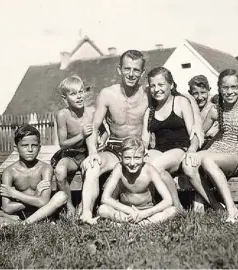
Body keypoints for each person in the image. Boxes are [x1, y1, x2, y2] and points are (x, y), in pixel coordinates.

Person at [81, 50, 204, 223]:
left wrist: (198, 125)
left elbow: (180, 96)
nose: (131, 74)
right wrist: (93, 151)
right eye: (127, 69)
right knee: (93, 167)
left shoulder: (149, 93)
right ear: (119, 70)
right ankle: (86, 214)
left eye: (136, 70)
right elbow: (92, 126)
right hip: (115, 147)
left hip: (139, 151)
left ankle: (147, 210)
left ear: (142, 73)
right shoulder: (107, 94)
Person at [182, 69, 238, 222]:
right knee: (187, 164)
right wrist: (192, 148)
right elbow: (199, 134)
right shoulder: (215, 110)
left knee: (208, 161)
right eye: (225, 88)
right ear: (219, 88)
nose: (230, 92)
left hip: (236, 152)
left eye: (234, 87)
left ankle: (232, 210)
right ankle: (217, 206)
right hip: (216, 148)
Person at [0, 125, 68, 226]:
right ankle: (27, 223)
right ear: (16, 147)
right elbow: (7, 208)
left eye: (34, 145)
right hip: (19, 214)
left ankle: (24, 224)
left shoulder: (45, 168)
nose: (30, 149)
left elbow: (43, 202)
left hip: (42, 212)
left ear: (39, 147)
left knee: (61, 196)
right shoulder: (9, 172)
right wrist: (35, 196)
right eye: (25, 145)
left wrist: (15, 194)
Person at [141, 67, 199, 210]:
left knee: (154, 167)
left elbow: (194, 133)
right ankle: (150, 203)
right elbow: (144, 140)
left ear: (171, 85)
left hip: (180, 149)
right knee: (143, 165)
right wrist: (139, 152)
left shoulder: (180, 102)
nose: (156, 89)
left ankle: (176, 207)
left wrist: (192, 149)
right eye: (153, 85)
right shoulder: (150, 111)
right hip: (160, 150)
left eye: (161, 85)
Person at [51, 75, 105, 218]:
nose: (79, 97)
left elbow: (104, 132)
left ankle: (83, 205)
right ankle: (69, 207)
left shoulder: (92, 111)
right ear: (65, 98)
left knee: (91, 170)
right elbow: (62, 144)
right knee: (60, 171)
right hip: (71, 154)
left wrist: (101, 142)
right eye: (73, 94)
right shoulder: (63, 115)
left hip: (88, 153)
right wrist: (81, 136)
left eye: (81, 92)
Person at [97, 136, 177, 225]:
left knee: (172, 211)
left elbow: (168, 200)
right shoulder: (119, 169)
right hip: (126, 211)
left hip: (147, 212)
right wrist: (131, 211)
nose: (132, 163)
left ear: (144, 157)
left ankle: (133, 223)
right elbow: (105, 198)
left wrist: (143, 214)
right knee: (102, 209)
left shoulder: (150, 170)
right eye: (127, 158)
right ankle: (141, 223)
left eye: (137, 158)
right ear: (120, 157)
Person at [188, 75, 219, 141]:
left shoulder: (215, 110)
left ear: (209, 91)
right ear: (190, 93)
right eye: (195, 93)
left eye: (203, 92)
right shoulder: (188, 111)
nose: (199, 97)